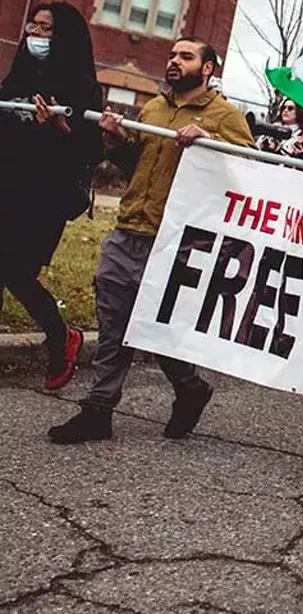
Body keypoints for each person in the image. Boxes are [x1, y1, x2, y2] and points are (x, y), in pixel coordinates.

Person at [48, 38, 253, 444]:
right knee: (113, 325)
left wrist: (212, 142)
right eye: (173, 55)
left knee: (155, 329)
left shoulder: (225, 115)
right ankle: (99, 409)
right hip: (128, 230)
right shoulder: (153, 109)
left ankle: (190, 387)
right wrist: (116, 141)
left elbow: (250, 170)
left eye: (186, 56)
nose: (174, 61)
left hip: (174, 239)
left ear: (208, 68)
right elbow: (134, 166)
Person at [0, 3, 103, 390]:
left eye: (46, 28)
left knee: (17, 273)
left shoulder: (81, 86)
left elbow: (92, 150)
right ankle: (60, 340)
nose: (35, 34)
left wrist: (61, 128)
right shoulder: (18, 75)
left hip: (44, 197)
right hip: (6, 184)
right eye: (34, 25)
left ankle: (62, 339)